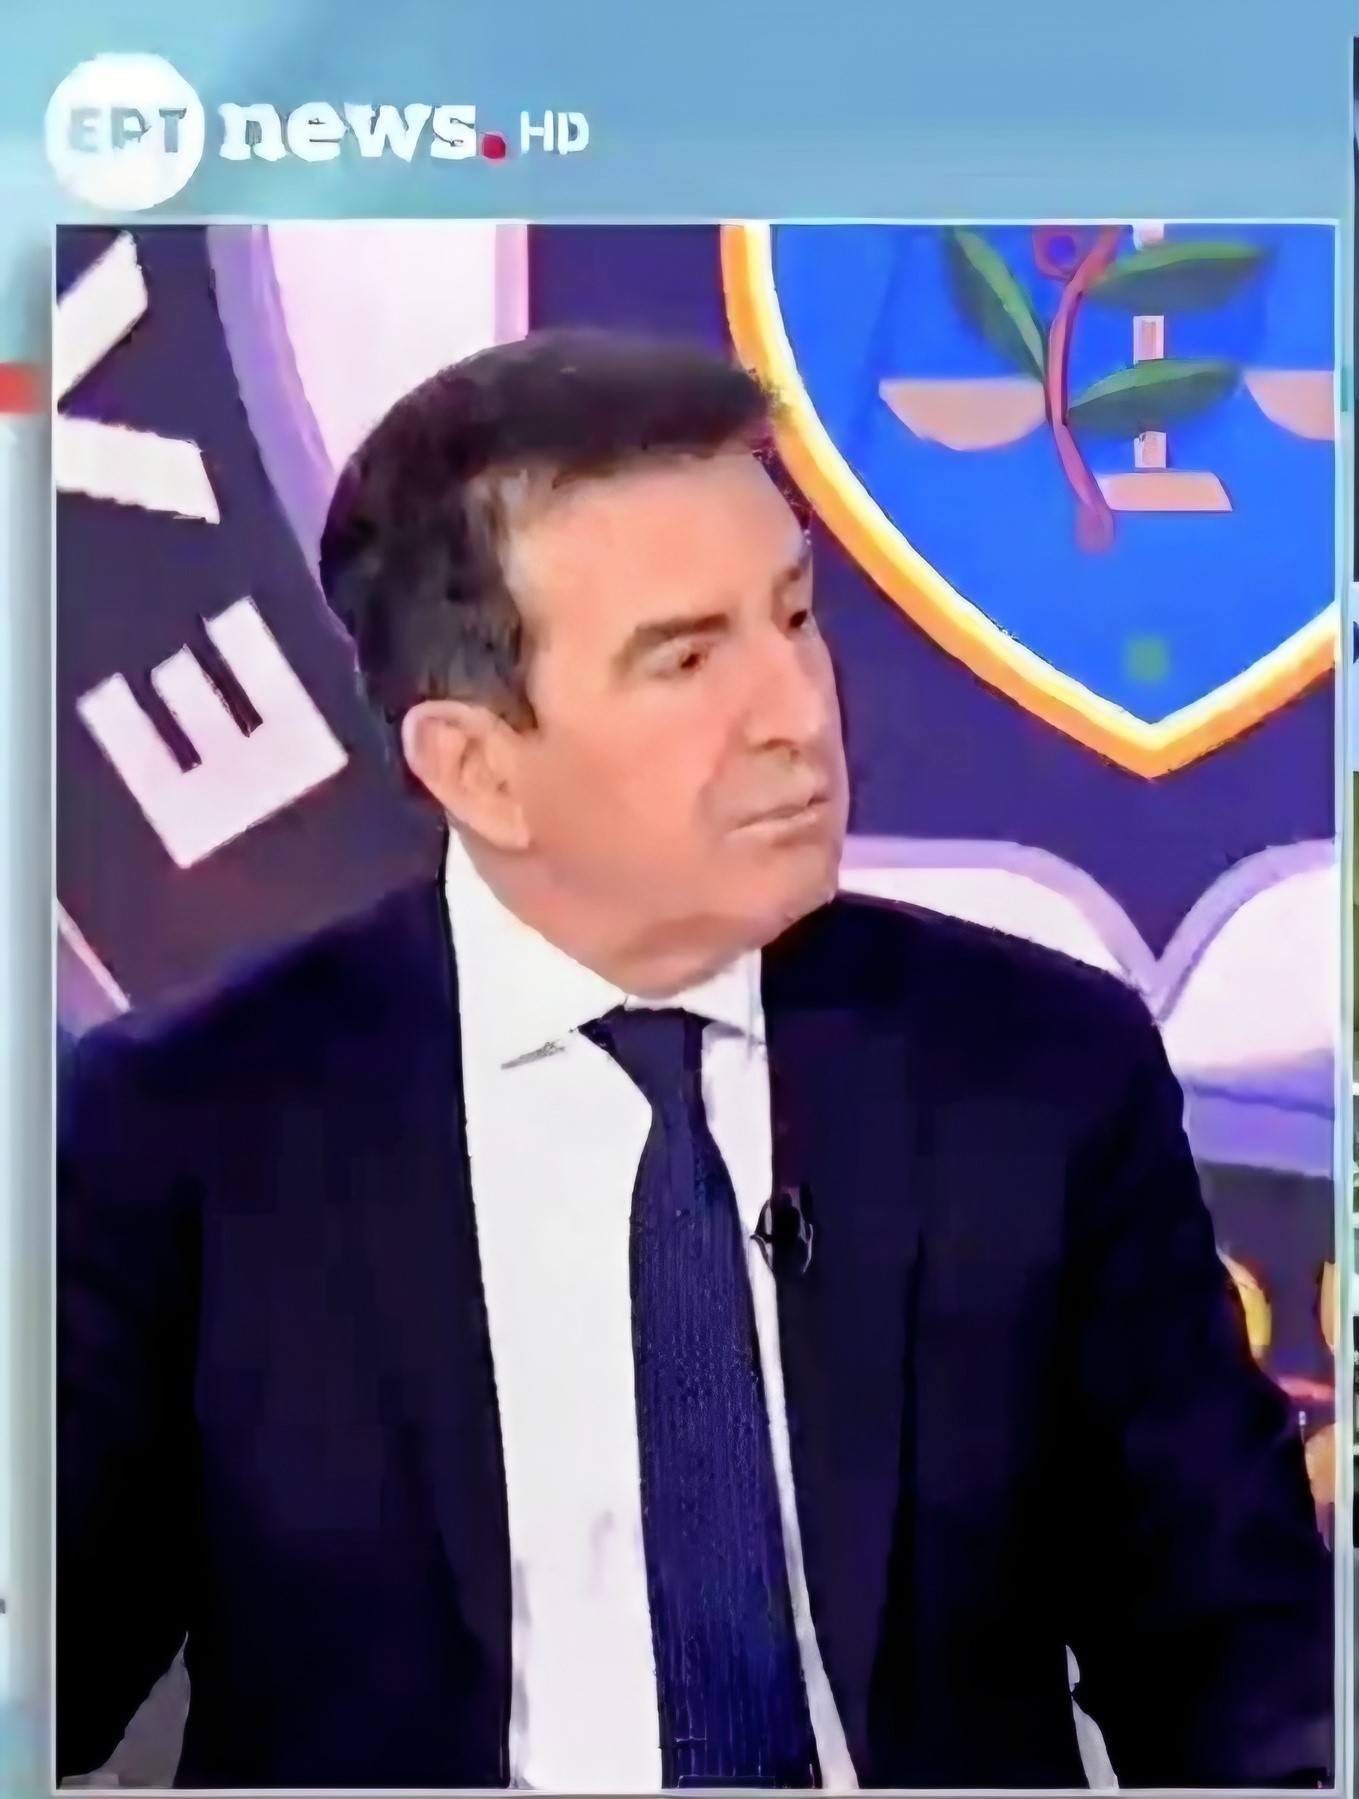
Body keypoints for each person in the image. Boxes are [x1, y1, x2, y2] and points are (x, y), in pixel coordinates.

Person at [57, 329, 1333, 1792]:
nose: (797, 712)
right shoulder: (197, 1129)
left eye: (793, 616)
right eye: (686, 658)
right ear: (476, 766)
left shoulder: (1032, 1075)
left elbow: (1239, 1653)